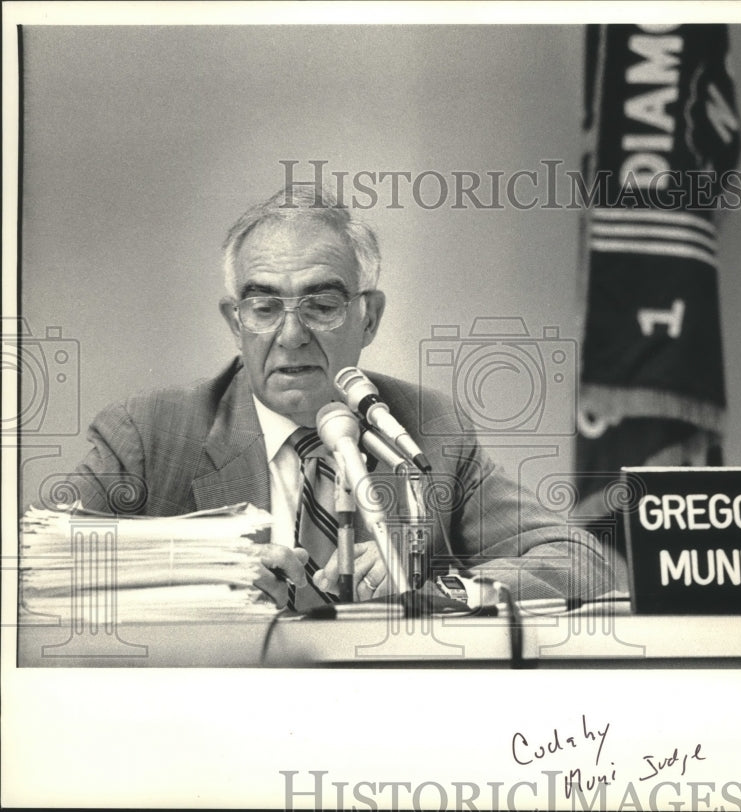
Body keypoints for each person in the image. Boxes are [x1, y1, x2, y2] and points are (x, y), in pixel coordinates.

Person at [69, 186, 612, 609]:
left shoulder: (427, 430)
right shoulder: (148, 433)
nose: (290, 335)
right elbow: (40, 568)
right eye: (263, 308)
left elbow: (584, 561)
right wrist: (214, 570)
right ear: (235, 322)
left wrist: (443, 585)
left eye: (321, 305)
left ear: (368, 317)